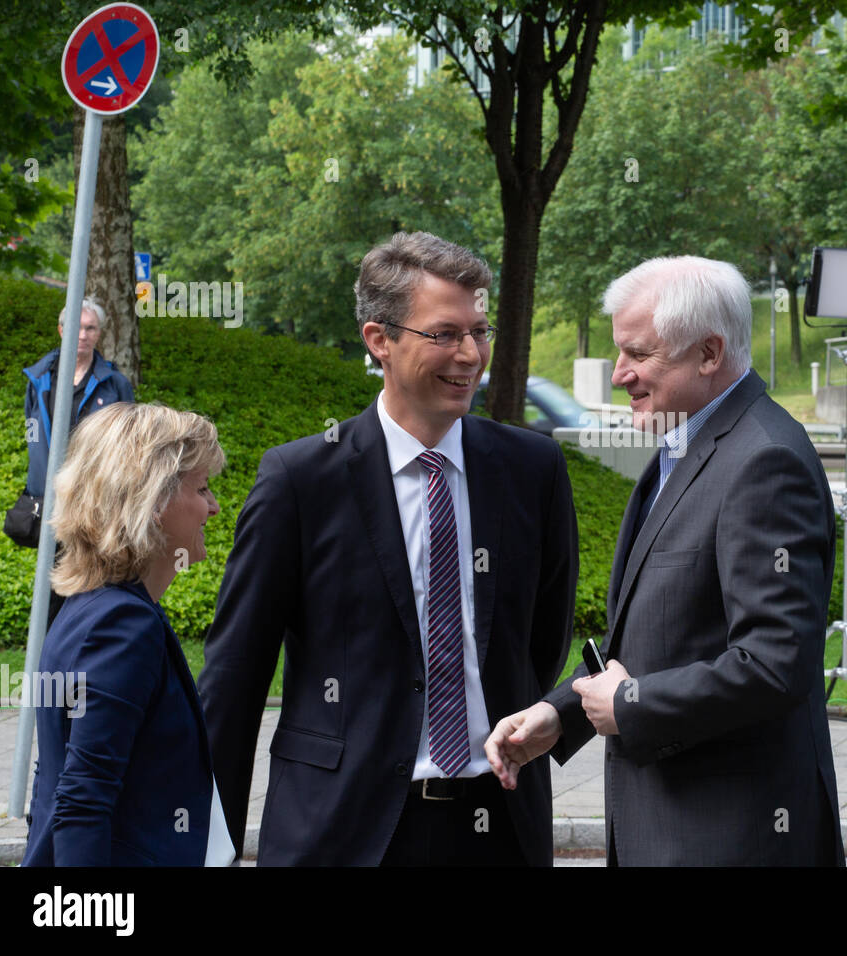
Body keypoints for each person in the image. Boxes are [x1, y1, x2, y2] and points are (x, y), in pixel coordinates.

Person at [199, 232, 579, 866]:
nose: (470, 354)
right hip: (342, 831)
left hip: (498, 826)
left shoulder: (531, 468)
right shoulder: (302, 479)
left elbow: (542, 642)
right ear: (380, 340)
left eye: (480, 331)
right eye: (445, 334)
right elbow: (235, 679)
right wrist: (210, 848)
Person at [486, 256, 844, 866]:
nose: (620, 373)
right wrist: (560, 712)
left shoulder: (764, 461)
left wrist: (628, 707)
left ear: (709, 353)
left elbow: (776, 664)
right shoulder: (684, 444)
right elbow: (661, 637)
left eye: (639, 354)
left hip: (730, 841)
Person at [23, 402, 231, 866]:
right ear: (154, 501)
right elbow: (82, 802)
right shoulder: (123, 625)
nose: (213, 508)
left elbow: (52, 781)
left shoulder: (87, 608)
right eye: (202, 488)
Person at [17, 299, 134, 624]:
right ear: (61, 330)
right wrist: (35, 489)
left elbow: (127, 448)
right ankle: (47, 660)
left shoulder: (114, 385)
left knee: (88, 584)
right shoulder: (40, 378)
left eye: (90, 328)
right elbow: (33, 436)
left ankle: (81, 652)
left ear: (99, 334)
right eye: (75, 328)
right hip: (51, 503)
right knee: (51, 586)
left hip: (93, 505)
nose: (81, 335)